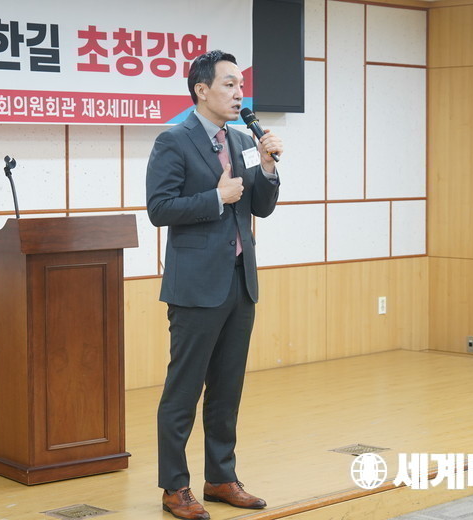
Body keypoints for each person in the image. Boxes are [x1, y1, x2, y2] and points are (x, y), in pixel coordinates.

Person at [146, 50, 283, 520]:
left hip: (240, 282)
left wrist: (267, 167)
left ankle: (221, 477)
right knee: (183, 391)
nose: (239, 93)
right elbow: (159, 209)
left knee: (227, 389)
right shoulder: (174, 140)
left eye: (241, 85)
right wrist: (215, 197)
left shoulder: (244, 139)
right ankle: (175, 486)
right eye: (229, 84)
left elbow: (260, 207)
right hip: (195, 286)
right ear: (201, 90)